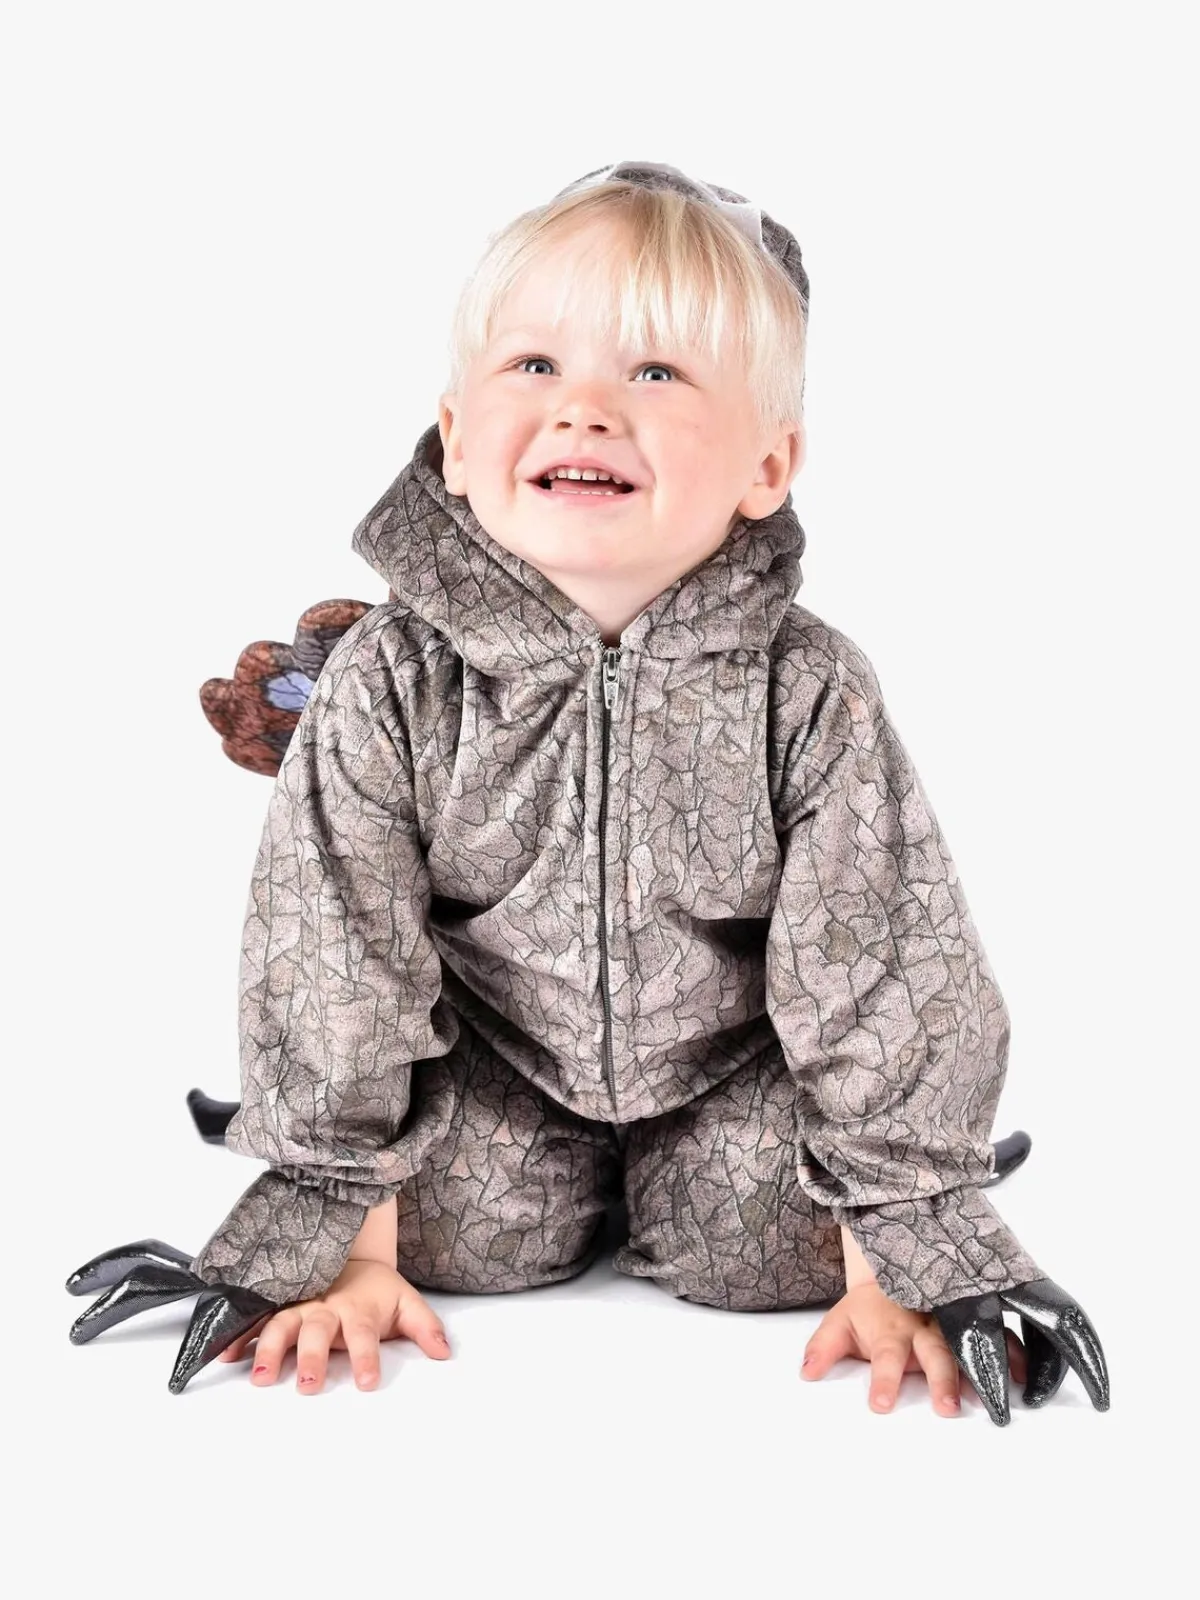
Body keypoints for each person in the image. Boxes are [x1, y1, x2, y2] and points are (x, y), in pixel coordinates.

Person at [65, 160, 1109, 1425]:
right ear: (457, 440)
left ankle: (823, 1198)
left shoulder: (807, 688)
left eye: (656, 373)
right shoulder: (393, 680)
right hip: (487, 1063)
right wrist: (340, 1236)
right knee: (461, 1232)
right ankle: (408, 1194)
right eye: (535, 365)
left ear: (767, 464)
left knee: (765, 1249)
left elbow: (880, 950)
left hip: (735, 1066)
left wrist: (909, 1236)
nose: (585, 410)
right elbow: (333, 944)